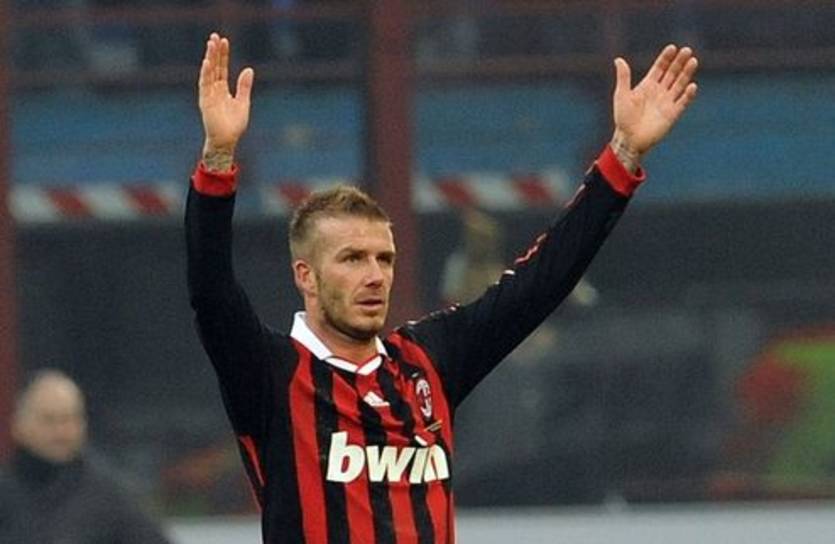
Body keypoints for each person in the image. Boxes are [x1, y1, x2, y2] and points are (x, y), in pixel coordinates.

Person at [186, 32, 698, 543]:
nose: (375, 275)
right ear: (306, 276)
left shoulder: (423, 363)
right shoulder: (271, 374)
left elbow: (539, 285)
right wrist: (219, 156)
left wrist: (623, 153)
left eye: (385, 259)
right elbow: (212, 292)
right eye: (352, 259)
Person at [0, 370, 173, 544]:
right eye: (49, 419)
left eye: (69, 419)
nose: (61, 432)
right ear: (18, 425)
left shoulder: (111, 500)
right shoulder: (5, 493)